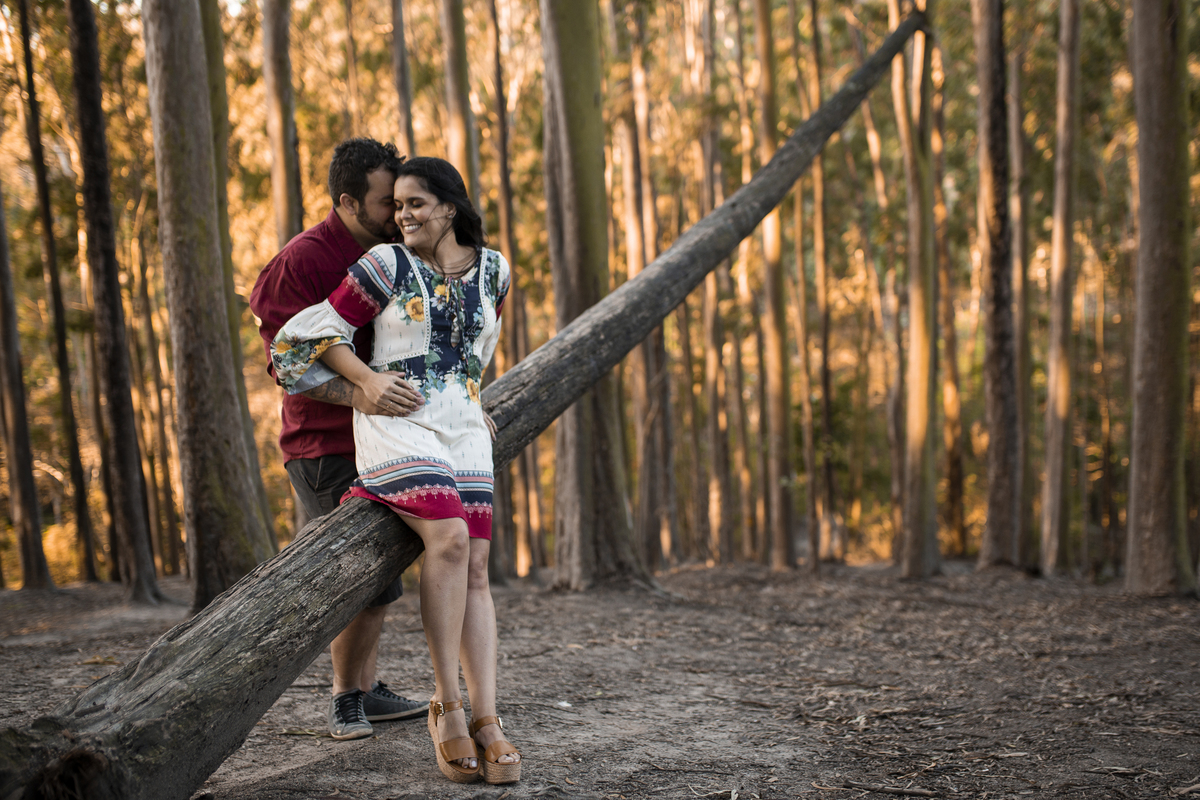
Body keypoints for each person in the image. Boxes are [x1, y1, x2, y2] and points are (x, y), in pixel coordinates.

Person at [269, 156, 521, 785]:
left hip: (461, 426)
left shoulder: (496, 269)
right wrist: (366, 380)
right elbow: (307, 336)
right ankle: (449, 705)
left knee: (481, 569)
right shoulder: (385, 265)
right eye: (397, 204)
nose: (401, 216)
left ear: (451, 208)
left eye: (415, 204)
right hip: (395, 425)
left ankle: (489, 718)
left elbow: (475, 348)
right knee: (451, 537)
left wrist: (473, 395)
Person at [250, 138, 427, 741]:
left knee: (381, 578)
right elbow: (286, 365)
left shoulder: (395, 255)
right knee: (355, 577)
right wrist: (360, 394)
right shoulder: (300, 262)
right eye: (386, 204)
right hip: (325, 448)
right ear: (348, 201)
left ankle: (367, 689)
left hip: (387, 440)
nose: (398, 216)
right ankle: (344, 701)